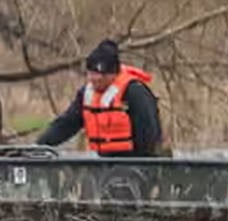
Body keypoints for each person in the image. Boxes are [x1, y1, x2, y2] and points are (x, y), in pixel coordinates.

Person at [34, 40, 164, 156]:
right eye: (93, 74)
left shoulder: (135, 92)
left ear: (114, 73)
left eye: (103, 75)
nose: (97, 79)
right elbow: (66, 124)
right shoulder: (86, 94)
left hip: (135, 162)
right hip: (102, 163)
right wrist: (38, 147)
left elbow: (150, 135)